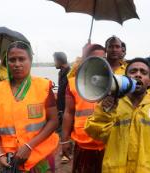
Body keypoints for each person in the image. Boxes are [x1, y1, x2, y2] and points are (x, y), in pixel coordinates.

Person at [85, 58, 150, 173]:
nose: (138, 75)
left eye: (143, 72)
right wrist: (105, 111)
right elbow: (95, 133)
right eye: (133, 72)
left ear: (149, 81)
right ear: (125, 77)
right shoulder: (112, 103)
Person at [0, 41, 59, 172]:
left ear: (30, 60)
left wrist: (29, 146)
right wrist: (0, 154)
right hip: (10, 160)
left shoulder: (43, 87)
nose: (17, 64)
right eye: (12, 60)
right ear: (7, 63)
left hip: (40, 157)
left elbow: (53, 121)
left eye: (22, 59)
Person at [61, 44, 106, 172]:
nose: (99, 62)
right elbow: (68, 113)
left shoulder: (115, 82)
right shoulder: (73, 83)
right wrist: (64, 140)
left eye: (103, 58)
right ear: (86, 60)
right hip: (83, 144)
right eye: (94, 58)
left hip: (108, 144)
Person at [53, 52, 71, 132]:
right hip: (61, 108)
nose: (54, 64)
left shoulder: (70, 73)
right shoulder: (61, 72)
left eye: (55, 61)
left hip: (67, 108)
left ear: (59, 61)